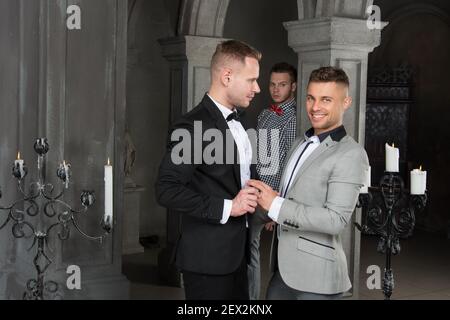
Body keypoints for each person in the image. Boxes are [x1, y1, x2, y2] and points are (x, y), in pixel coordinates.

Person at [247, 66, 369, 300]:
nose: (315, 107)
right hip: (281, 274)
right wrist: (253, 208)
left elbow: (335, 220)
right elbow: (285, 198)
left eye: (326, 99)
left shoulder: (351, 153)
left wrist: (277, 206)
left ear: (346, 102)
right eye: (311, 98)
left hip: (318, 281)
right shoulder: (300, 143)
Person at [156, 40, 262, 300]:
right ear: (227, 76)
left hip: (241, 254)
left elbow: (239, 178)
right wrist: (229, 207)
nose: (257, 88)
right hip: (207, 261)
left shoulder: (242, 121)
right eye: (251, 80)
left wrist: (261, 197)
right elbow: (166, 190)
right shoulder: (192, 126)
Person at [248, 62, 298, 300]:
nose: (276, 89)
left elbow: (289, 163)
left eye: (283, 84)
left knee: (278, 255)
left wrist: (277, 206)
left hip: (276, 197)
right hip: (258, 189)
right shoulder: (265, 115)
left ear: (294, 86)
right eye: (272, 84)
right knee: (249, 247)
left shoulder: (295, 119)